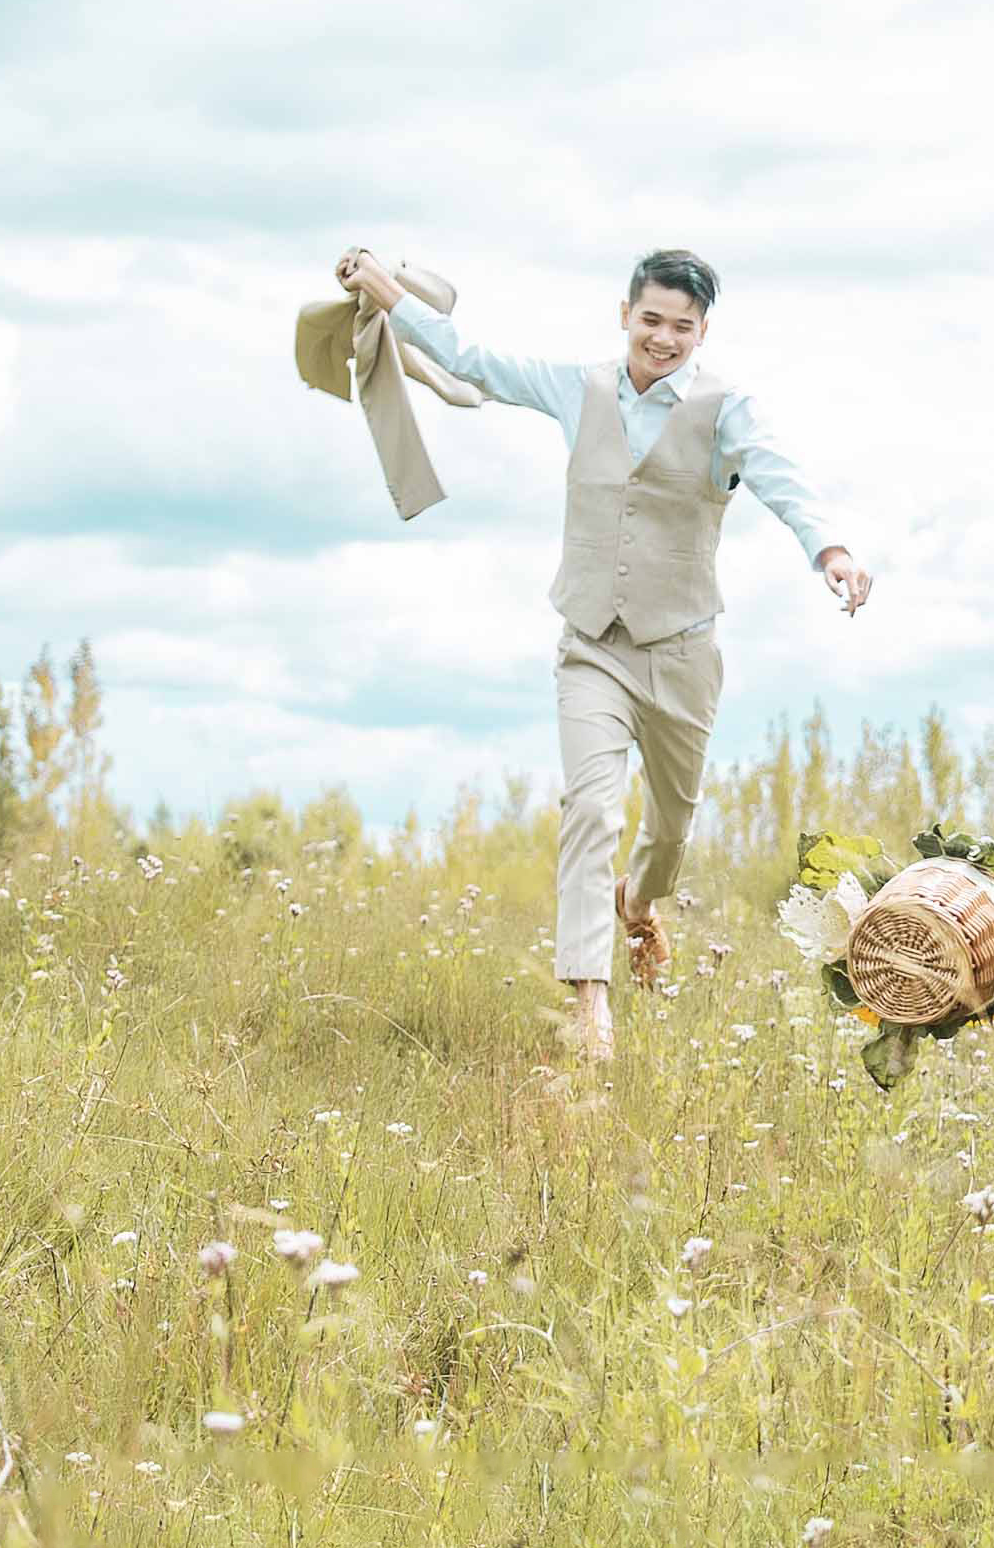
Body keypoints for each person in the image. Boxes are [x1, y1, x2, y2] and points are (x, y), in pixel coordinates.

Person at [335, 244, 871, 1064]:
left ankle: (639, 904)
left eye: (682, 326)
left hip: (682, 652)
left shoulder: (727, 409)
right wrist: (384, 291)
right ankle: (591, 1004)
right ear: (625, 315)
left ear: (702, 331)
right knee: (591, 810)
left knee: (672, 827)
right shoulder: (576, 389)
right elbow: (470, 360)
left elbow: (781, 478)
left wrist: (829, 550)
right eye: (651, 319)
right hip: (590, 645)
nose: (664, 338)